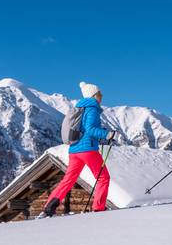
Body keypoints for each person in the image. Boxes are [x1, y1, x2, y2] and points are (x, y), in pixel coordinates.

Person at [39, 82, 116, 217]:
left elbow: (85, 128)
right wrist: (107, 135)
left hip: (74, 150)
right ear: (93, 95)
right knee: (103, 177)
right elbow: (90, 129)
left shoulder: (81, 108)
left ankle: (49, 206)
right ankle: (98, 208)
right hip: (88, 150)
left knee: (69, 179)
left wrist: (102, 132)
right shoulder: (92, 108)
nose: (101, 96)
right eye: (99, 93)